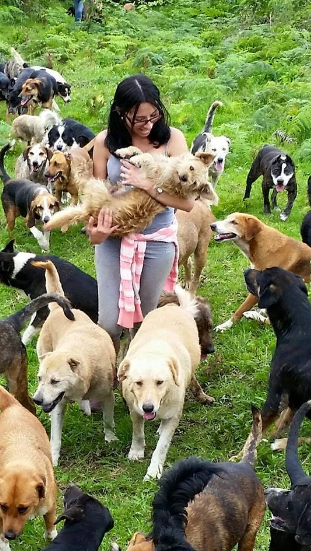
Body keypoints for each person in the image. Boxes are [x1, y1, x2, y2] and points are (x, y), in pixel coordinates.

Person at [88, 74, 194, 354]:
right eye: (139, 120)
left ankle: (134, 372)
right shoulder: (104, 143)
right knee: (109, 324)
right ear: (120, 113)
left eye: (153, 117)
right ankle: (106, 372)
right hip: (114, 239)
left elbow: (188, 203)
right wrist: (95, 233)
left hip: (157, 242)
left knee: (143, 322)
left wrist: (147, 184)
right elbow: (95, 198)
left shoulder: (173, 140)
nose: (148, 125)